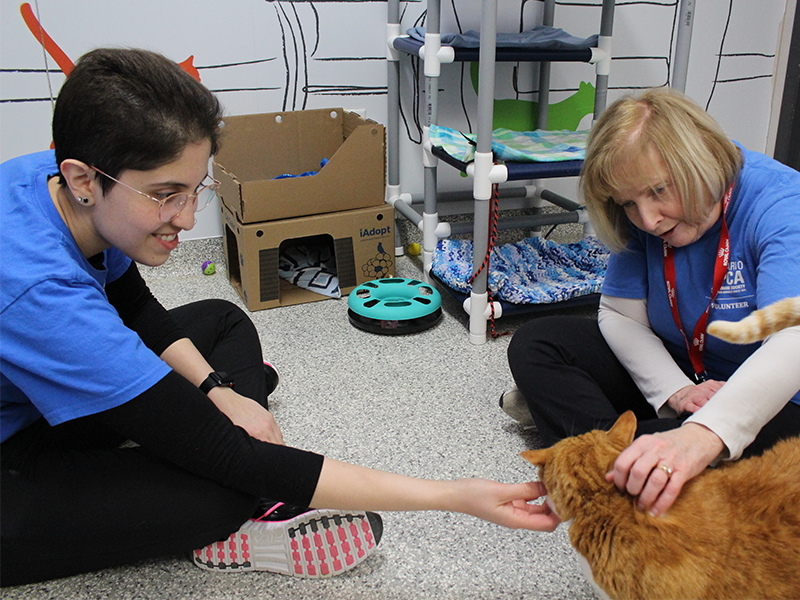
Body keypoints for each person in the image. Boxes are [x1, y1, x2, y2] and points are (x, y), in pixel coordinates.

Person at [0, 47, 560, 588]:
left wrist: (220, 392)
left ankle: (223, 452)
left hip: (41, 395)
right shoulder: (38, 290)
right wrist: (452, 495)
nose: (187, 217)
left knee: (223, 321)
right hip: (15, 459)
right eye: (165, 196)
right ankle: (249, 519)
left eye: (195, 190)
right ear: (82, 179)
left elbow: (138, 309)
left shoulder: (55, 183)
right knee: (225, 485)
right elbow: (227, 455)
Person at [505, 88, 800, 518]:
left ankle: (594, 445)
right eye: (628, 203)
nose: (647, 220)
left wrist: (701, 435)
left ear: (700, 161)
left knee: (704, 454)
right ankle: (628, 459)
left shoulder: (781, 205)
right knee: (537, 343)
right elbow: (619, 314)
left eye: (658, 191)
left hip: (777, 401)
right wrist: (675, 391)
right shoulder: (646, 214)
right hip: (691, 379)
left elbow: (790, 343)